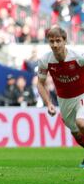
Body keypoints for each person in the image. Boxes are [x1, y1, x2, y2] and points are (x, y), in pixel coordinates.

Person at [37, 26, 84, 168]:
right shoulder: (45, 60)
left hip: (81, 95)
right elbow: (40, 83)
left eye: (58, 41)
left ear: (65, 41)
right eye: (52, 41)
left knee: (81, 123)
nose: (55, 45)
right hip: (64, 100)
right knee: (76, 134)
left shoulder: (78, 58)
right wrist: (48, 103)